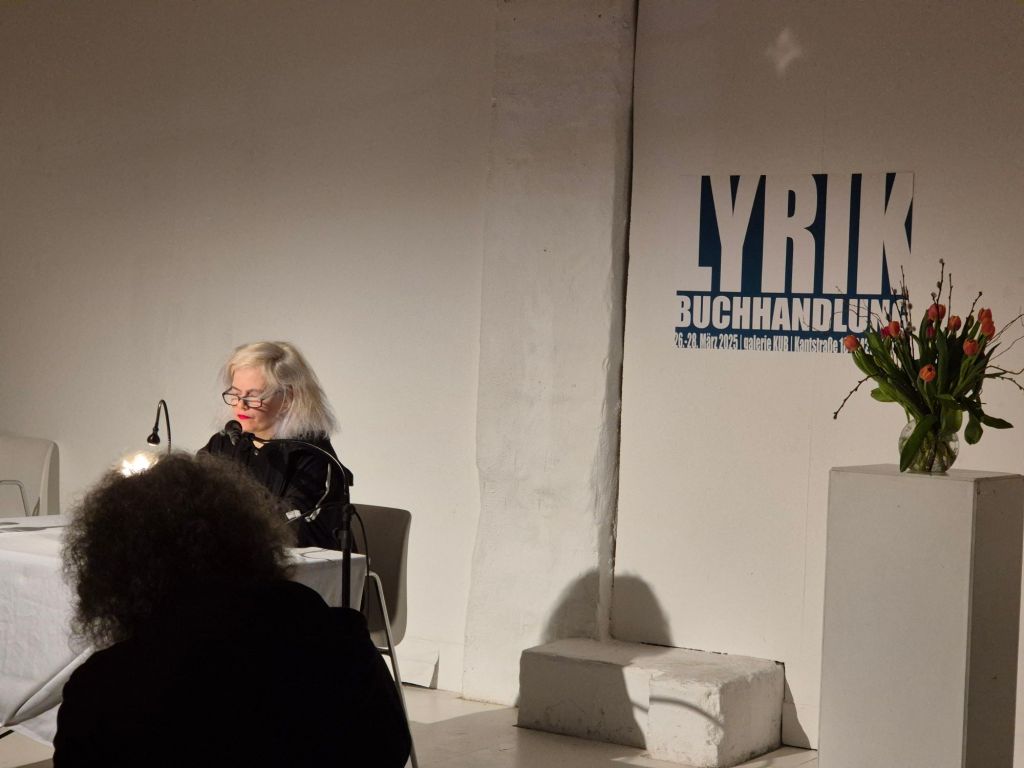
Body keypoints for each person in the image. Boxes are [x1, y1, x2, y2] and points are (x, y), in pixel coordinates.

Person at [54, 453, 411, 767]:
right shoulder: (333, 634)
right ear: (249, 534)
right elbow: (389, 744)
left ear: (114, 566)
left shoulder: (108, 688)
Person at [199, 341, 349, 549]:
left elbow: (295, 528)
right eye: (235, 393)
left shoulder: (311, 454)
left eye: (254, 396)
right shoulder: (224, 442)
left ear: (288, 398)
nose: (241, 404)